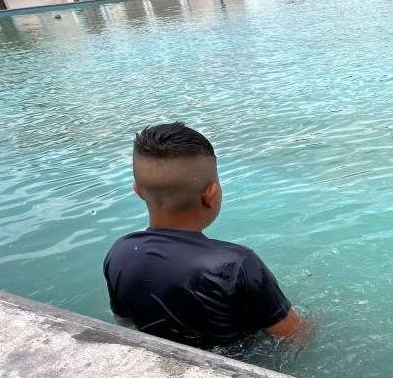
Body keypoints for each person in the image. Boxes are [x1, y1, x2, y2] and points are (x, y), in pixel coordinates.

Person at [103, 123, 304, 349]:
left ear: (137, 190)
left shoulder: (120, 253)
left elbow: (123, 320)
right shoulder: (236, 264)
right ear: (211, 194)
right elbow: (293, 337)